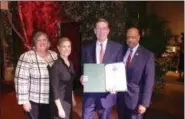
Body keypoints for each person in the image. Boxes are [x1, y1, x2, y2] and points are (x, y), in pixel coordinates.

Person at [80, 18, 124, 119]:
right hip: (90, 94)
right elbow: (84, 68)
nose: (101, 31)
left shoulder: (117, 48)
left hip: (107, 95)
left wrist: (116, 85)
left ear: (108, 30)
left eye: (104, 28)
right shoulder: (86, 48)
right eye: (98, 29)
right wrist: (82, 77)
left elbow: (119, 69)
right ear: (95, 31)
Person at [14, 31, 58, 119]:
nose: (42, 42)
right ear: (34, 43)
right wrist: (24, 101)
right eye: (39, 40)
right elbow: (20, 80)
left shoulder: (54, 55)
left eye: (44, 40)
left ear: (48, 42)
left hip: (52, 99)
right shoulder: (26, 57)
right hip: (35, 100)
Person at [117, 27, 155, 119]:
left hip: (136, 102)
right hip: (121, 99)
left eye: (133, 37)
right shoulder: (121, 52)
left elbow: (149, 81)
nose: (130, 40)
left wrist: (144, 103)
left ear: (138, 38)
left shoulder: (147, 55)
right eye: (128, 37)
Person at [50, 37, 76, 119]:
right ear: (58, 48)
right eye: (64, 46)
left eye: (69, 46)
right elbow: (54, 88)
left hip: (68, 101)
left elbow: (70, 83)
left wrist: (73, 98)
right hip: (59, 102)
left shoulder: (70, 63)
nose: (66, 49)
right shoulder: (56, 65)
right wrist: (60, 108)